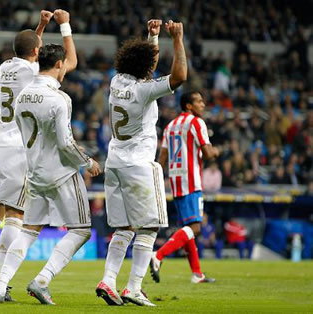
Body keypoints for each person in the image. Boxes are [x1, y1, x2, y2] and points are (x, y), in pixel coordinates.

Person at [0, 9, 78, 301]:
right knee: (17, 214)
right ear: (37, 53)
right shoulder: (34, 72)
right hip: (18, 147)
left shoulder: (5, 67)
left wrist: (40, 25)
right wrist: (63, 26)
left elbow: (27, 47)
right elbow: (70, 62)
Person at [0, 42, 101, 305]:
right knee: (81, 230)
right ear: (60, 64)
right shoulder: (60, 99)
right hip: (62, 172)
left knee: (28, 231)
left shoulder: (23, 95)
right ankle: (42, 280)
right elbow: (64, 143)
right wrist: (87, 161)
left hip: (35, 173)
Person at [97, 20, 187, 307]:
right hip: (139, 165)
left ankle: (108, 281)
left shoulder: (116, 82)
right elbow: (179, 76)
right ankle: (133, 287)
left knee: (124, 228)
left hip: (114, 164)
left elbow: (145, 67)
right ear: (146, 67)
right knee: (149, 228)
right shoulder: (144, 90)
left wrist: (153, 36)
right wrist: (177, 39)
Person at [150, 91, 220, 284]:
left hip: (176, 182)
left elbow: (161, 159)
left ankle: (197, 274)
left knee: (187, 228)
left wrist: (155, 181)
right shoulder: (196, 123)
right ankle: (158, 255)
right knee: (195, 228)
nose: (203, 104)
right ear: (188, 105)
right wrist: (216, 152)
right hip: (192, 180)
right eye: (199, 101)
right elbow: (207, 153)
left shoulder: (170, 126)